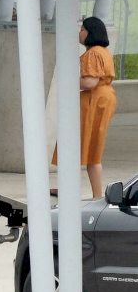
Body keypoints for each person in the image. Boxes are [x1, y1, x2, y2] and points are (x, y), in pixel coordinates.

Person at [51, 17, 117, 198]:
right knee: (85, 145)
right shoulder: (103, 51)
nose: (79, 33)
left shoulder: (93, 53)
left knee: (85, 146)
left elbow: (89, 82)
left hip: (94, 101)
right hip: (101, 99)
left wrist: (67, 78)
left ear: (89, 33)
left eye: (82, 29)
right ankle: (75, 188)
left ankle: (95, 195)